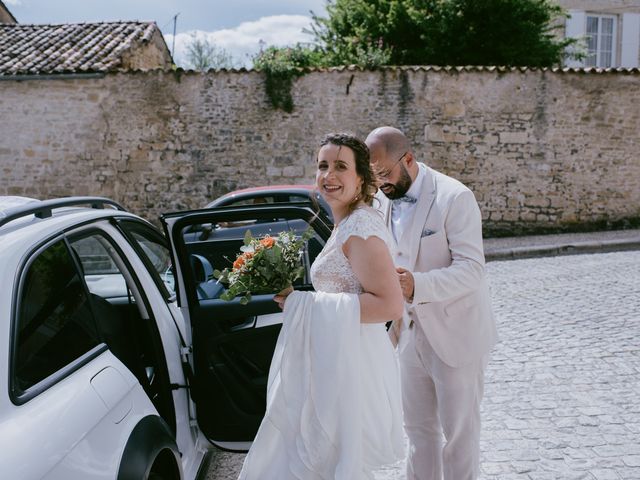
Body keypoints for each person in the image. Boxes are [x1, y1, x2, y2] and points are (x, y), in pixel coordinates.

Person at [238, 133, 405, 479]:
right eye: (323, 165)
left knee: (333, 461)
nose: (328, 175)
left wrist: (306, 304)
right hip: (334, 356)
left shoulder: (360, 228)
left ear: (361, 179)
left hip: (349, 366)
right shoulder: (345, 223)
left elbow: (390, 305)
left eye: (341, 167)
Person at [365, 126, 498, 480]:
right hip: (408, 335)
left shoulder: (455, 197)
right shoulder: (381, 201)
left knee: (459, 435)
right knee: (419, 434)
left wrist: (417, 285)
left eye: (385, 174)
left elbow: (472, 270)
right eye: (373, 176)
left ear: (408, 159)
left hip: (457, 335)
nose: (380, 184)